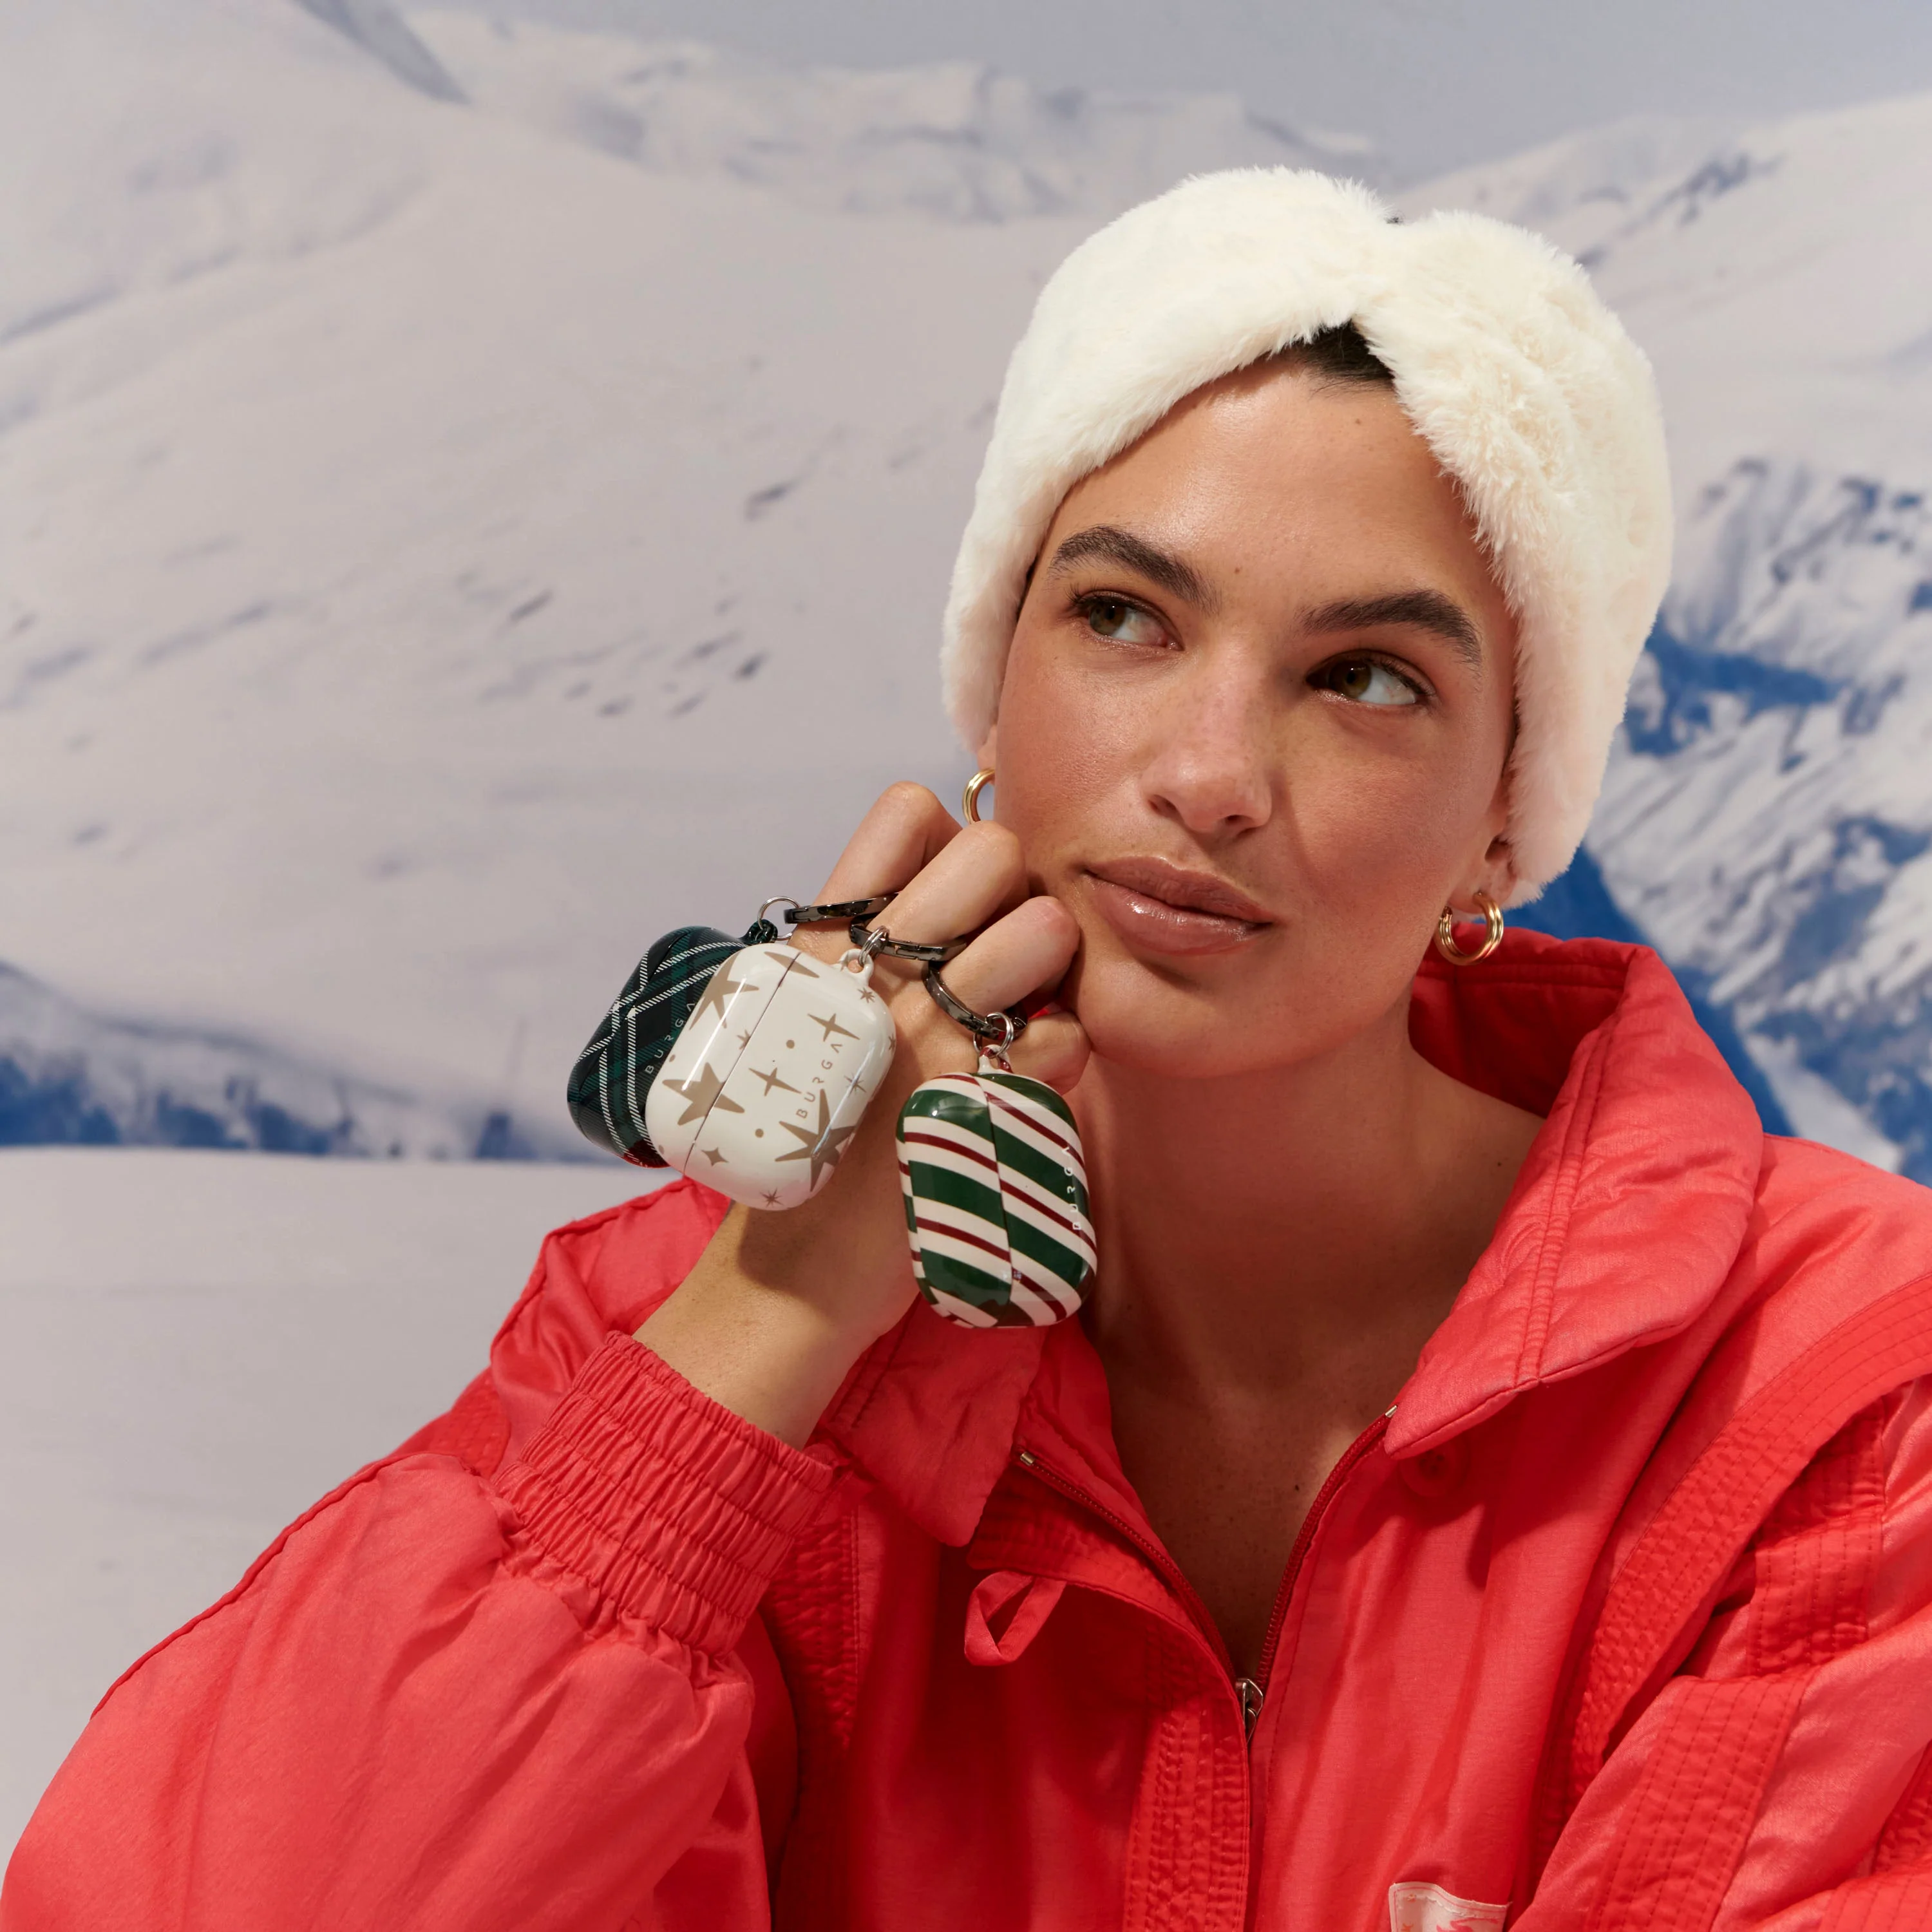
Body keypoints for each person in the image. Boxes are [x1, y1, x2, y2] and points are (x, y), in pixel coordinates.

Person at [8, 169, 1932, 1932]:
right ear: (992, 691)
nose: (1209, 775)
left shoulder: (1836, 1393)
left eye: (1365, 678)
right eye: (1125, 617)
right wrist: (777, 1309)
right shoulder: (681, 1339)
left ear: (1508, 820)